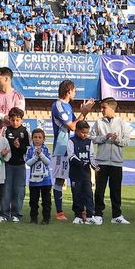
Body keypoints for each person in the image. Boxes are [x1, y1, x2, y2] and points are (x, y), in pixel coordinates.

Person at [49, 80, 93, 220]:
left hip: (73, 148)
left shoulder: (67, 106)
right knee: (60, 180)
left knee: (79, 180)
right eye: (74, 91)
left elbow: (78, 125)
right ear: (68, 91)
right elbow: (72, 126)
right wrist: (83, 113)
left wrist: (84, 113)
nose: (75, 93)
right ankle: (60, 212)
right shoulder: (58, 105)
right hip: (61, 148)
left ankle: (81, 210)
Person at [92, 98, 129, 224]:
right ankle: (97, 214)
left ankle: (116, 215)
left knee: (116, 190)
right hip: (101, 161)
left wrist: (117, 139)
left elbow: (126, 141)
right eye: (101, 107)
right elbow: (92, 138)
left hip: (116, 162)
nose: (101, 110)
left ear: (112, 108)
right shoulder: (98, 122)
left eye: (104, 107)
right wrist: (104, 137)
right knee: (99, 190)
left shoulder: (122, 123)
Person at [3, 108, 31, 223]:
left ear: (21, 120)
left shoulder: (25, 132)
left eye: (17, 120)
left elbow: (27, 150)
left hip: (20, 165)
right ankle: (4, 213)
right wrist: (11, 146)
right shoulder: (6, 130)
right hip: (8, 164)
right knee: (6, 190)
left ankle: (16, 214)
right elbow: (3, 145)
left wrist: (19, 146)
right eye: (13, 120)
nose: (15, 122)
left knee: (19, 190)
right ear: (9, 119)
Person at [67, 120, 97, 225]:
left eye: (86, 132)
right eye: (83, 132)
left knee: (88, 193)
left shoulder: (89, 141)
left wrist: (95, 166)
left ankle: (90, 215)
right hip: (75, 173)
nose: (85, 135)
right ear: (77, 131)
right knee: (77, 194)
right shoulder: (71, 141)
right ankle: (78, 215)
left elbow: (92, 156)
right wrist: (81, 163)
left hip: (86, 173)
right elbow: (71, 156)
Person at [27, 128, 55, 224]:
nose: (37, 139)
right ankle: (33, 219)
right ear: (32, 138)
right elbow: (28, 163)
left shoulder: (46, 149)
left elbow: (48, 162)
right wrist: (35, 157)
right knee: (33, 201)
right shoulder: (30, 149)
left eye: (39, 137)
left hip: (45, 180)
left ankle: (46, 219)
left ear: (43, 139)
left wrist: (41, 155)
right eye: (35, 137)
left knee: (46, 201)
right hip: (33, 180)